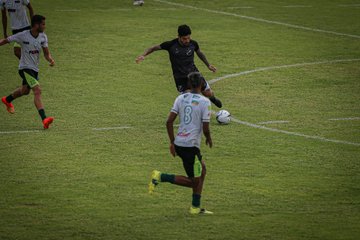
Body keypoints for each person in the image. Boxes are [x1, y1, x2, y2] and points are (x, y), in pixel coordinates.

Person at [149, 72, 214, 215]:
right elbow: (205, 127)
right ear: (202, 84)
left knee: (202, 170)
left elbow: (169, 122)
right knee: (194, 182)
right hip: (190, 146)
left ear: (189, 84)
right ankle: (159, 176)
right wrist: (208, 138)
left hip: (179, 143)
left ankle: (195, 207)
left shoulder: (180, 98)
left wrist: (172, 142)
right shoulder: (205, 102)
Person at [136, 24, 222, 108]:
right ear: (179, 37)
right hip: (180, 77)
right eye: (184, 39)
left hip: (194, 74)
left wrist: (208, 65)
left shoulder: (193, 44)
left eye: (189, 38)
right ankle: (197, 112)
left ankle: (213, 99)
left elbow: (199, 53)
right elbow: (153, 48)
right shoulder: (171, 45)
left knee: (208, 93)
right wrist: (143, 55)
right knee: (188, 99)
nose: (187, 40)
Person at [0, 14, 55, 129]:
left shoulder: (43, 37)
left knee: (25, 91)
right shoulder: (22, 35)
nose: (45, 26)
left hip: (34, 69)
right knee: (37, 90)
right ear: (36, 25)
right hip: (24, 68)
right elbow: (6, 40)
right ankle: (44, 119)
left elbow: (46, 53)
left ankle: (7, 99)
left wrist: (50, 59)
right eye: (43, 24)